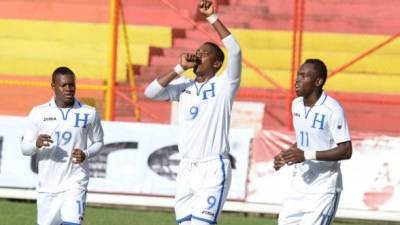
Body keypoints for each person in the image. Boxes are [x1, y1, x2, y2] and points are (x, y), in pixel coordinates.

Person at [144, 1, 241, 224]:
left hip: (212, 167)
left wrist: (212, 17)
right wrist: (179, 68)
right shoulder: (184, 86)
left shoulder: (225, 85)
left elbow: (235, 51)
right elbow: (150, 93)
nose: (198, 55)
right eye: (198, 52)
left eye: (204, 54)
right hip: (186, 168)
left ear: (217, 64)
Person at [21, 66, 104, 225]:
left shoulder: (89, 113)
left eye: (72, 85)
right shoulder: (38, 113)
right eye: (63, 85)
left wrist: (86, 153)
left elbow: (99, 142)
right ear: (53, 86)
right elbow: (25, 148)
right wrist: (36, 144)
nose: (69, 89)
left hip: (76, 180)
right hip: (47, 185)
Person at [274, 59, 353, 225]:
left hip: (323, 188)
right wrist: (286, 155)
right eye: (298, 75)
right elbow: (305, 139)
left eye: (304, 76)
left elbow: (346, 150)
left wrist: (305, 155)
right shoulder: (296, 105)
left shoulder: (333, 109)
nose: (297, 80)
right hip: (299, 184)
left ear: (318, 82)